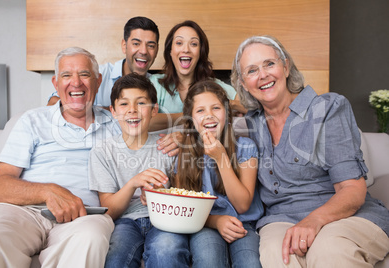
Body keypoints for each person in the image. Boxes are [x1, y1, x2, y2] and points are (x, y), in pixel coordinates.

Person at [231, 35, 389, 267]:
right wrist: (182, 134)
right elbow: (209, 119)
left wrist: (313, 221)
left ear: (285, 66)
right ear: (244, 84)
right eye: (252, 70)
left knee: (329, 250)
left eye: (269, 64)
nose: (263, 75)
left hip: (345, 215)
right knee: (276, 256)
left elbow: (352, 189)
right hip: (281, 219)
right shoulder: (252, 122)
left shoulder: (327, 108)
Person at [0, 47, 121, 267]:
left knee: (91, 237)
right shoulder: (32, 120)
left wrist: (177, 135)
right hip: (25, 212)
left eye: (84, 74)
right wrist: (48, 191)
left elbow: (146, 122)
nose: (76, 83)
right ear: (56, 83)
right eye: (67, 75)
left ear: (98, 81)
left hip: (83, 216)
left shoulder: (117, 124)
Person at [88, 73, 190, 268]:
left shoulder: (168, 146)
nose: (132, 110)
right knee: (116, 256)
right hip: (125, 222)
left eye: (141, 103)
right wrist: (134, 182)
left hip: (165, 220)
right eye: (124, 104)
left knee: (167, 249)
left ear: (153, 110)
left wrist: (160, 195)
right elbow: (108, 210)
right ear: (113, 111)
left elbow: (184, 194)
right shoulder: (102, 151)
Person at [172, 80, 264, 267]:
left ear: (227, 114)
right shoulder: (185, 153)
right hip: (205, 223)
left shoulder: (245, 147)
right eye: (200, 111)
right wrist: (216, 221)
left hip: (243, 223)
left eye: (216, 108)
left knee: (250, 263)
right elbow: (185, 209)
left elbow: (242, 205)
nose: (209, 116)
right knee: (208, 259)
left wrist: (221, 158)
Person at [47, 16, 159, 108]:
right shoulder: (95, 74)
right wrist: (106, 113)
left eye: (151, 46)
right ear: (124, 46)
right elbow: (53, 102)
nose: (144, 51)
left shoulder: (158, 85)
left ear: (157, 50)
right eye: (136, 44)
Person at [150, 20, 247, 117]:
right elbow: (143, 120)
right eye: (179, 43)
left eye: (193, 44)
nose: (186, 49)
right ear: (170, 51)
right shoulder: (154, 83)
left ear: (200, 53)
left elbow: (250, 108)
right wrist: (188, 116)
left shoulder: (214, 85)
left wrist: (228, 103)